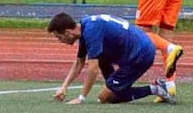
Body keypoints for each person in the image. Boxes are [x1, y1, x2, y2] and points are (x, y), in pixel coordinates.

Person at [48, 11, 176, 104]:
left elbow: (93, 69)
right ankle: (117, 87)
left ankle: (157, 89)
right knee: (101, 59)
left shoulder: (91, 31)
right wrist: (63, 87)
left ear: (68, 33)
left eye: (59, 37)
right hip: (138, 49)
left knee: (105, 97)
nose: (61, 41)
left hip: (140, 55)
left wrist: (81, 98)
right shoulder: (85, 26)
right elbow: (79, 63)